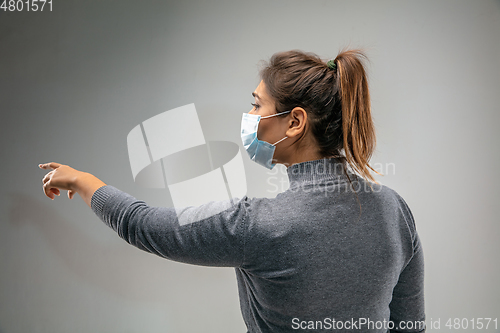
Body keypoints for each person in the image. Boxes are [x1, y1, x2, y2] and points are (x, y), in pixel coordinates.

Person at [39, 49, 425, 333]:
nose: (250, 119)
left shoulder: (259, 225)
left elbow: (143, 225)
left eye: (257, 106)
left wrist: (82, 180)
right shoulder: (395, 211)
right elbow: (409, 327)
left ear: (294, 122)